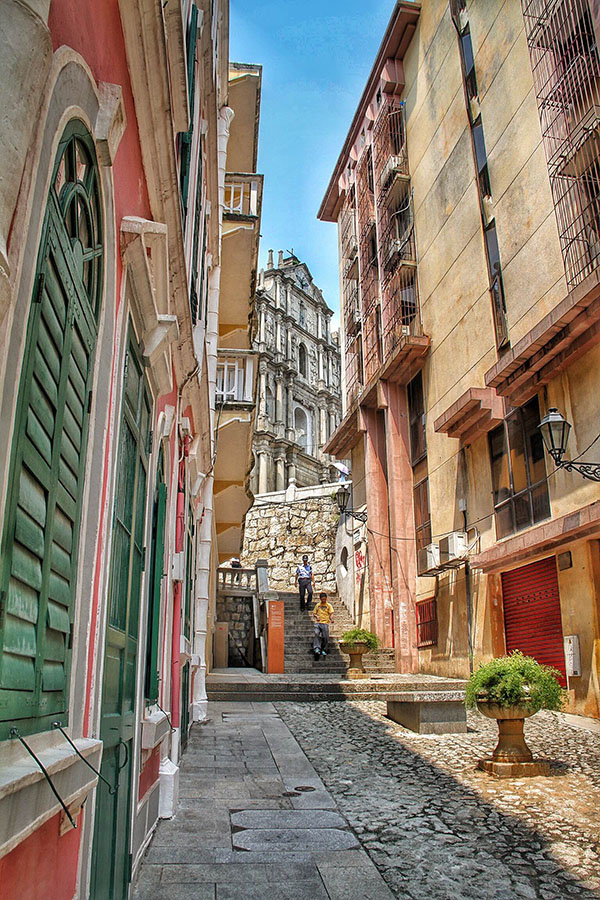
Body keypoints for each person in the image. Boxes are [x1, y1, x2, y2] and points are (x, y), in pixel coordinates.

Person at [312, 591, 334, 660]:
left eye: (325, 599)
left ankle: (324, 649)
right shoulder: (317, 605)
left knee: (325, 637)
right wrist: (316, 616)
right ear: (320, 599)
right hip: (318, 623)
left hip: (325, 623)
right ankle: (317, 648)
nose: (324, 600)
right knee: (316, 633)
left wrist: (332, 619)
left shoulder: (329, 605)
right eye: (322, 599)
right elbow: (314, 613)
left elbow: (331, 613)